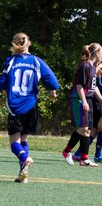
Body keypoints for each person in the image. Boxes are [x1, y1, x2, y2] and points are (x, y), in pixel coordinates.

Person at [0, 32, 59, 183]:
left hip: (15, 106)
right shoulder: (36, 61)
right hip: (31, 105)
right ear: (29, 43)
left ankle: (25, 159)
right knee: (24, 139)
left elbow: (2, 82)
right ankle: (23, 173)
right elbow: (52, 80)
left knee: (14, 142)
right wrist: (52, 90)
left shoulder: (11, 61)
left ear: (14, 44)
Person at [62, 43, 102, 167]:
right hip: (79, 99)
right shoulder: (85, 65)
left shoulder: (93, 67)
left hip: (88, 99)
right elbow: (79, 86)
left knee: (87, 130)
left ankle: (84, 159)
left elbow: (93, 87)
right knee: (83, 129)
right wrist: (83, 101)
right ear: (97, 53)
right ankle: (67, 152)